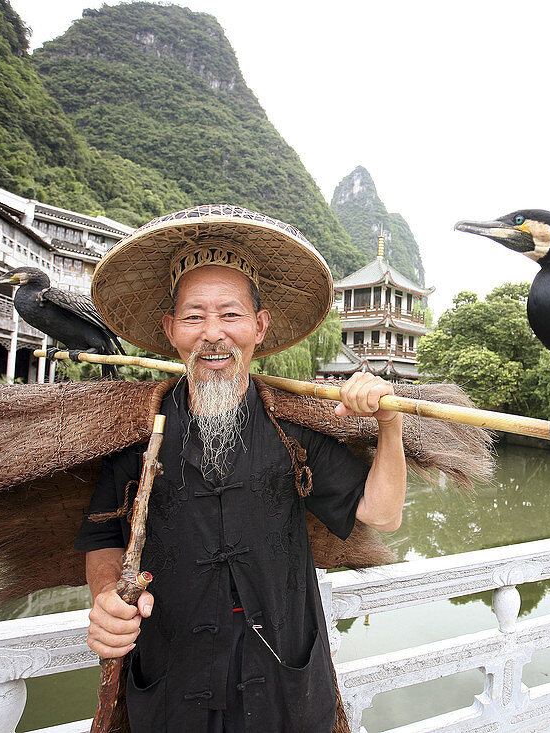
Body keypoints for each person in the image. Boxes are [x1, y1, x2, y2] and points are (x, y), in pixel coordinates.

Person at [75, 205, 406, 732]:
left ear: (259, 325)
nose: (213, 334)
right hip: (171, 678)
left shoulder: (293, 429)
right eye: (194, 316)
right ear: (170, 329)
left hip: (283, 680)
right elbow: (101, 536)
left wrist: (389, 426)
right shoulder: (136, 433)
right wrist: (105, 601)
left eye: (230, 314)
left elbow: (382, 515)